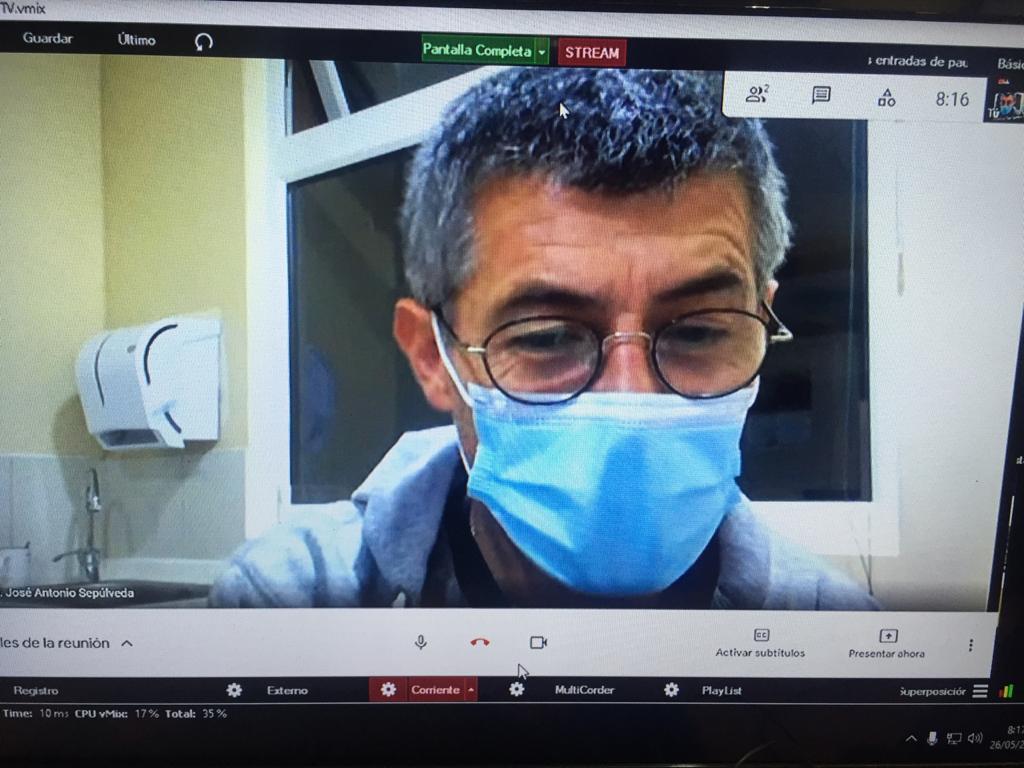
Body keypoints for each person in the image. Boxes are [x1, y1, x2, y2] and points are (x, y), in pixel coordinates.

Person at [210, 68, 878, 610]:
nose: (632, 404)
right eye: (549, 337)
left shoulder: (833, 634)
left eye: (700, 331)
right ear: (432, 356)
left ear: (762, 323)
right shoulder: (288, 602)